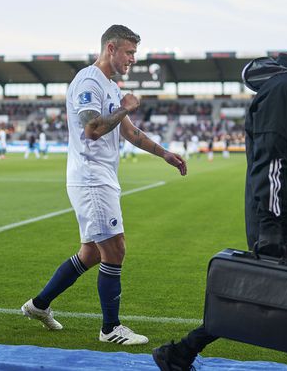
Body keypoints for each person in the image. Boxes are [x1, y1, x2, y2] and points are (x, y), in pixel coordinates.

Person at [153, 16, 287, 371]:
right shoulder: (285, 89)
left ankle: (180, 353)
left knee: (259, 293)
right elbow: (270, 158)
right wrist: (272, 224)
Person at [21, 24, 187, 345]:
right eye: (129, 52)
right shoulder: (88, 81)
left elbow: (130, 132)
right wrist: (126, 106)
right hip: (91, 177)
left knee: (91, 254)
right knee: (115, 248)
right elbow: (92, 129)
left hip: (102, 177)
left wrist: (165, 153)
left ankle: (39, 305)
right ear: (111, 49)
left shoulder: (110, 86)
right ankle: (110, 328)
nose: (133, 60)